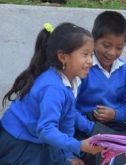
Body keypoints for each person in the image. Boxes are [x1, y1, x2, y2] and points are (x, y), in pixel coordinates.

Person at [0, 22, 102, 164]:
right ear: (63, 57)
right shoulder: (53, 87)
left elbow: (67, 122)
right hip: (19, 144)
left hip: (38, 139)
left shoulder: (73, 81)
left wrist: (69, 155)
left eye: (92, 54)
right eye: (85, 54)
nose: (90, 61)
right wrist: (79, 146)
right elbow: (46, 129)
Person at [75, 11, 126, 164]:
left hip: (114, 128)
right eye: (106, 45)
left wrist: (115, 114)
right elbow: (69, 108)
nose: (111, 53)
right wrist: (91, 127)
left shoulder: (124, 69)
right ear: (94, 40)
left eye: (119, 48)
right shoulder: (84, 68)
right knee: (102, 157)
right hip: (85, 128)